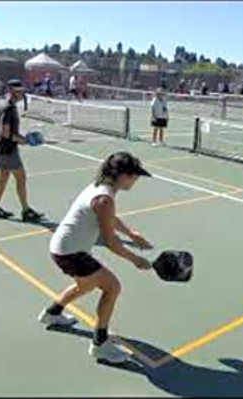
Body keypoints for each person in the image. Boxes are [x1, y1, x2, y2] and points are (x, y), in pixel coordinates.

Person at [39, 152, 153, 363]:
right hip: (70, 252)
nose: (136, 180)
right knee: (112, 287)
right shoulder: (104, 198)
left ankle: (52, 313)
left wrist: (131, 234)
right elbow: (110, 242)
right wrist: (136, 260)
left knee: (85, 285)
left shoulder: (100, 188)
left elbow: (110, 218)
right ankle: (100, 344)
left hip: (65, 247)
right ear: (121, 175)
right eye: (134, 175)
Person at [0, 79, 44, 222]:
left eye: (22, 91)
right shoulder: (9, 109)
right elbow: (5, 132)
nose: (22, 94)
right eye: (19, 92)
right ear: (13, 92)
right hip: (7, 150)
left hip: (1, 148)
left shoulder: (5, 107)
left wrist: (21, 139)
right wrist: (24, 140)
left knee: (3, 178)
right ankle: (26, 211)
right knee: (21, 177)